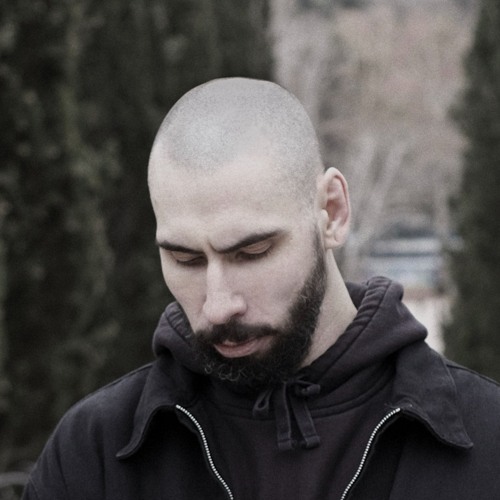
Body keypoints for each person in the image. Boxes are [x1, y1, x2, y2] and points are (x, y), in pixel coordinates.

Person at [23, 78, 500, 500]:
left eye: (251, 252)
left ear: (331, 212)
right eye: (186, 259)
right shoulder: (93, 454)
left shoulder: (488, 444)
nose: (218, 306)